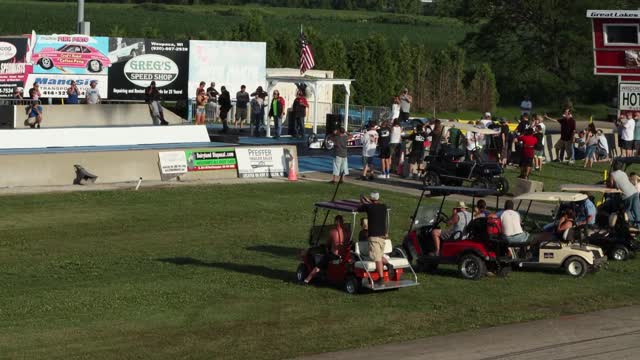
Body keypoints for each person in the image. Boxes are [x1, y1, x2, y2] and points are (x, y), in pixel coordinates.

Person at [303, 215, 347, 284]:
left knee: (319, 264)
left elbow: (327, 244)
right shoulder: (346, 232)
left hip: (333, 255)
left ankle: (307, 279)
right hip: (343, 255)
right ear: (342, 222)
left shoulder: (333, 232)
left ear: (336, 222)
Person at [358, 192, 389, 284]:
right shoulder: (384, 206)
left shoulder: (369, 207)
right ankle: (388, 265)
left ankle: (381, 278)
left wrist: (363, 201)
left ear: (371, 199)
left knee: (377, 259)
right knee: (379, 255)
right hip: (382, 237)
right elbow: (375, 205)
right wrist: (369, 202)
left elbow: (359, 208)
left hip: (374, 237)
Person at [608, 160, 640, 226]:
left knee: (627, 211)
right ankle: (638, 227)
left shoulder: (612, 174)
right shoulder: (624, 173)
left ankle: (632, 224)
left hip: (627, 195)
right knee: (636, 211)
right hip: (635, 192)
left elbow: (611, 185)